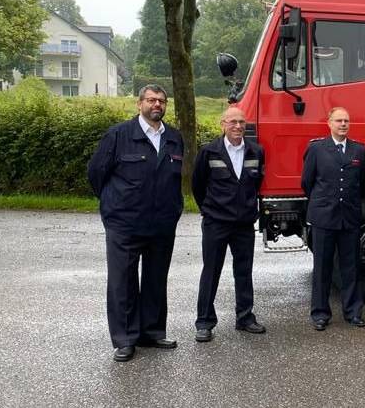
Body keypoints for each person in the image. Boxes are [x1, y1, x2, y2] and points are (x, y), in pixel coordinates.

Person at [87, 85, 183, 362]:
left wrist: (173, 210)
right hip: (124, 224)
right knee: (122, 282)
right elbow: (96, 173)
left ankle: (151, 332)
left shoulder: (174, 138)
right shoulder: (118, 135)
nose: (157, 105)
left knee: (155, 279)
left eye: (162, 101)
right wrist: (112, 207)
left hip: (162, 224)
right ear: (139, 103)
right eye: (151, 100)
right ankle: (125, 338)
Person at [191, 107, 267, 343]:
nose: (238, 126)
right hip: (216, 223)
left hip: (243, 224)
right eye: (233, 122)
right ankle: (204, 322)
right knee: (211, 271)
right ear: (222, 124)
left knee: (243, 272)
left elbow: (257, 183)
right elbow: (197, 185)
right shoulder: (209, 152)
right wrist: (209, 210)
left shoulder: (256, 151)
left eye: (242, 122)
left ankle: (245, 317)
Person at [301, 107, 365, 330]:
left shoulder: (358, 150)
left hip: (349, 217)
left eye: (346, 121)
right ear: (329, 123)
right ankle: (320, 313)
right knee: (322, 267)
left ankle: (353, 312)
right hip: (324, 217)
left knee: (351, 267)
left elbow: (361, 184)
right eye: (338, 120)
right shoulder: (317, 149)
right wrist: (323, 203)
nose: (343, 124)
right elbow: (307, 183)